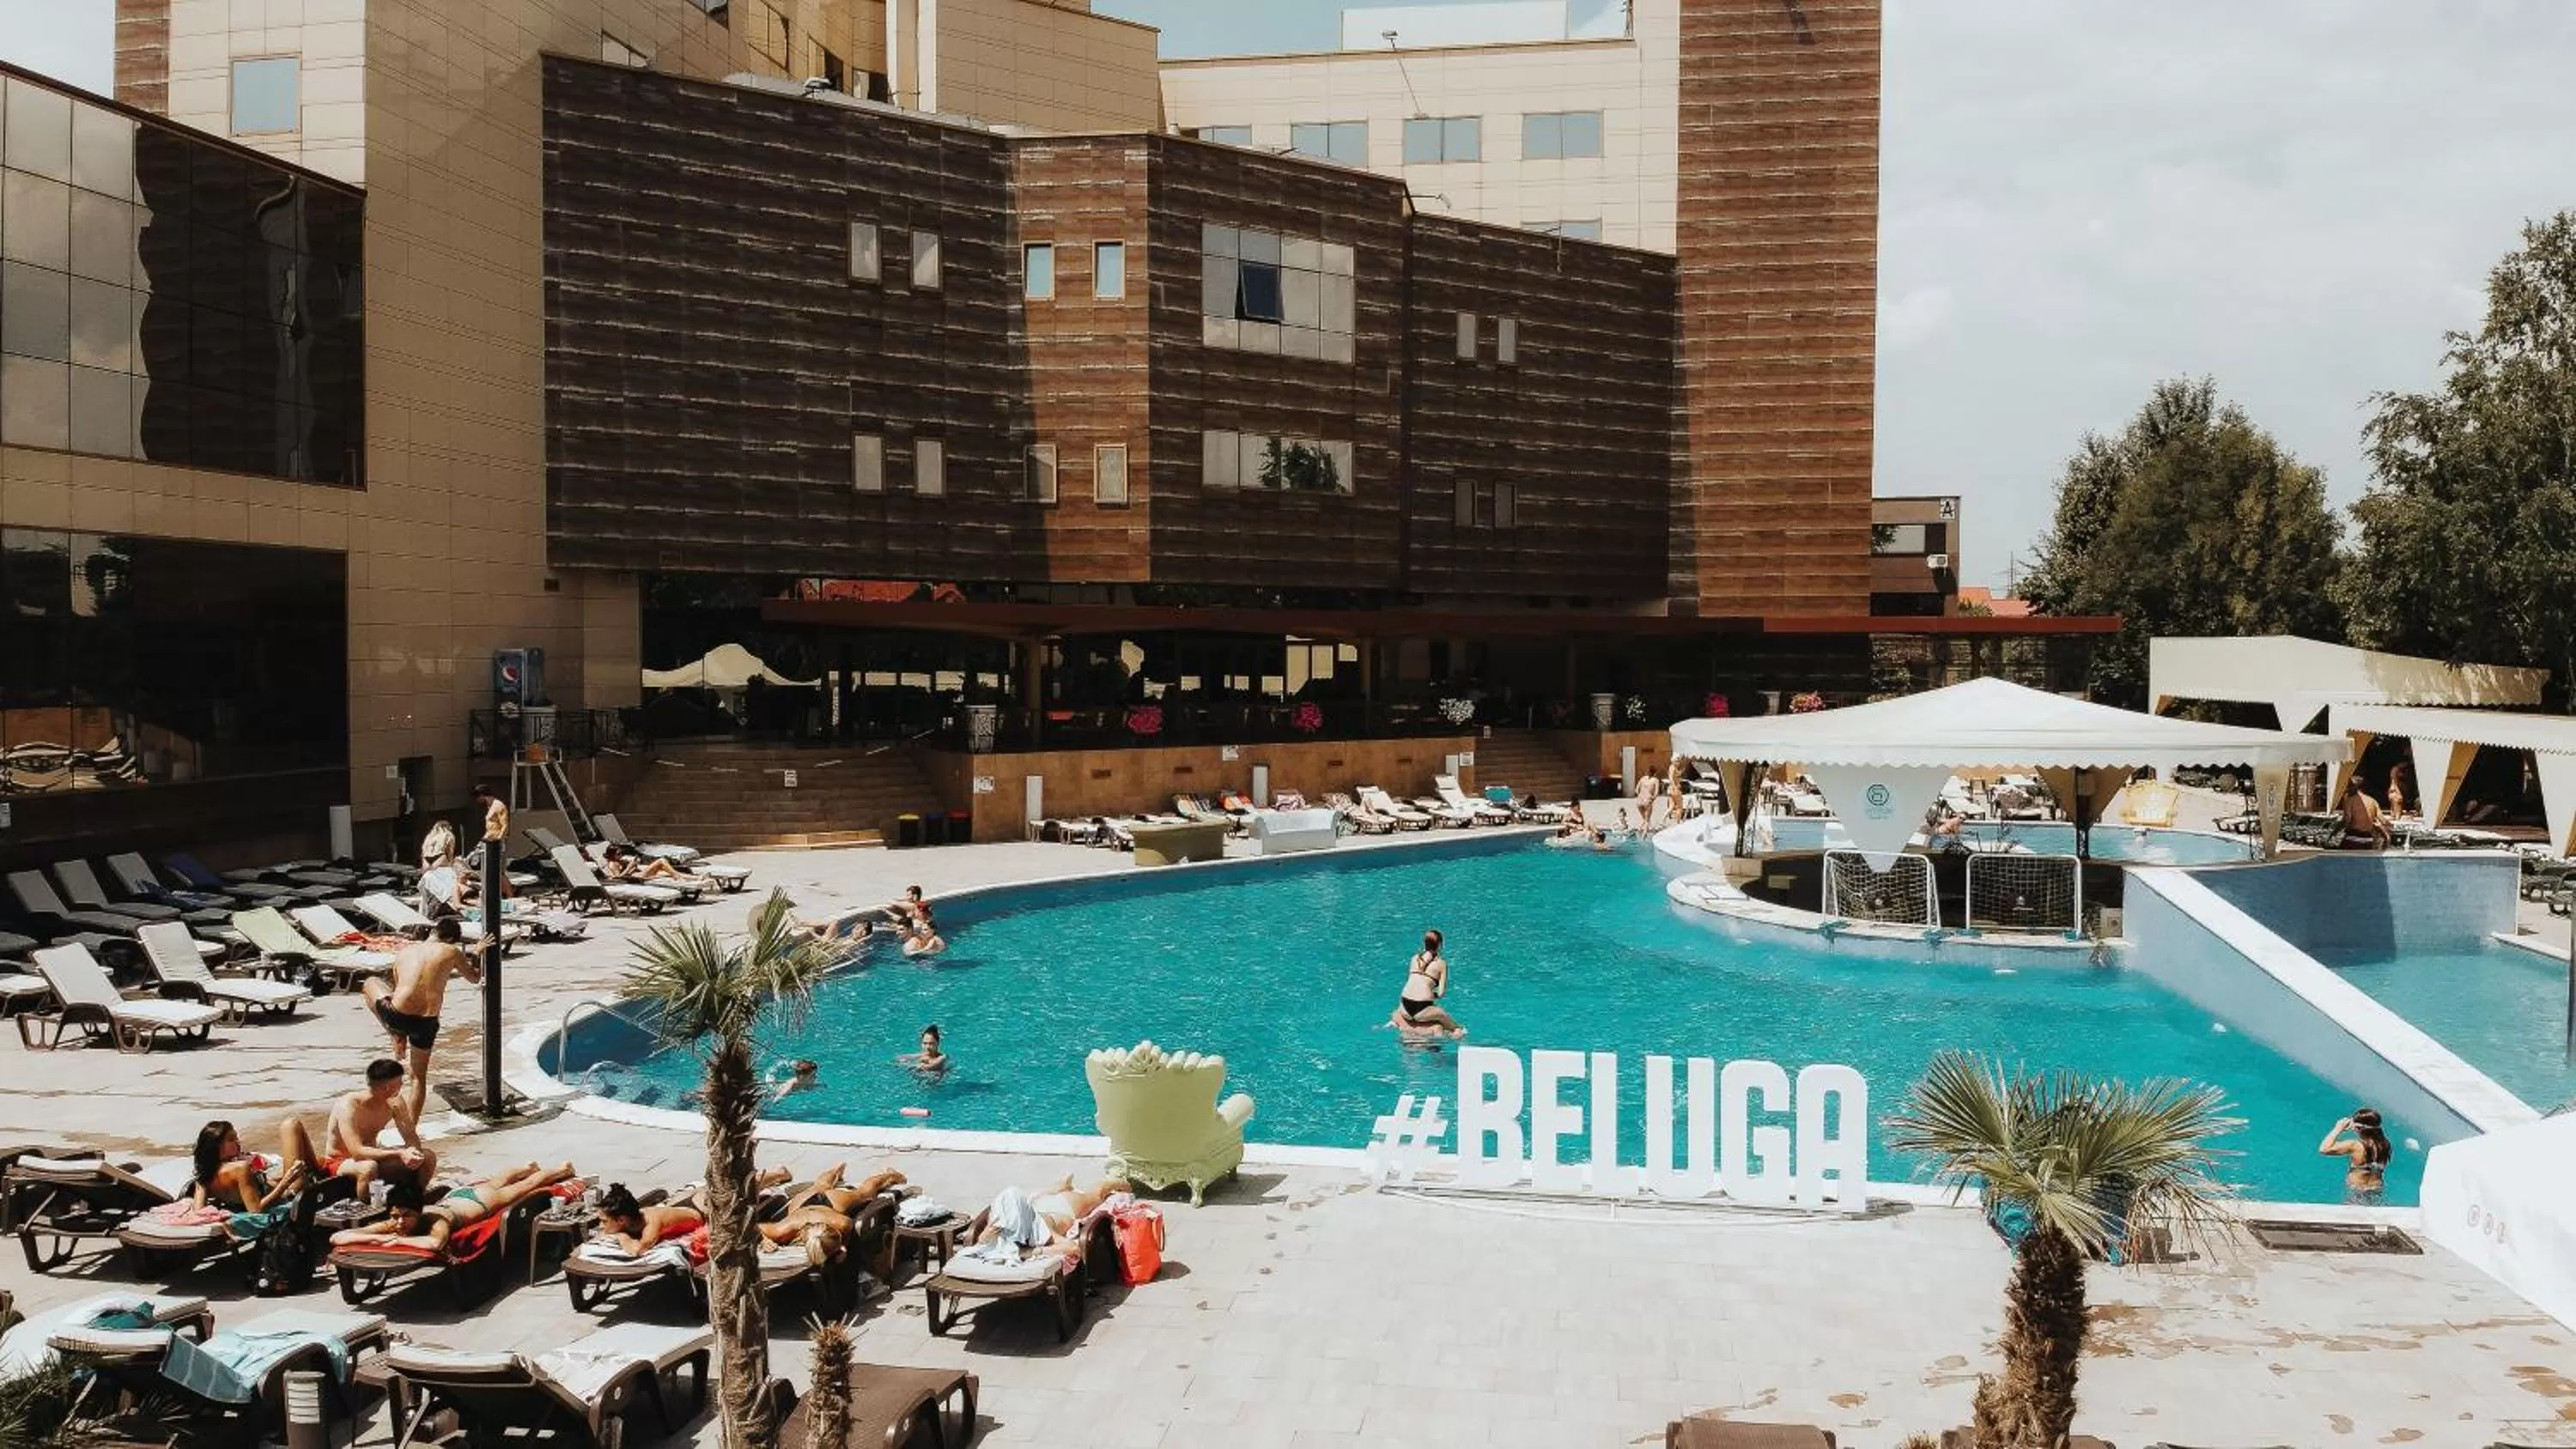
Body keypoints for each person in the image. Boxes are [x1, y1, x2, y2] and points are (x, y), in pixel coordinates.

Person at [363, 917, 482, 1122]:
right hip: (426, 1021)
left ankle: (394, 1033)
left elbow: (397, 985)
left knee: (370, 982)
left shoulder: (405, 952)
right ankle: (411, 1129)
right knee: (418, 1078)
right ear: (451, 939)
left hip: (397, 1015)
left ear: (433, 932)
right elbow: (474, 978)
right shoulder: (451, 951)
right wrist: (478, 953)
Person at [331, 1163, 578, 1252]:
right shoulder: (397, 1219)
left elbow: (435, 1243)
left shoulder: (435, 1222)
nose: (398, 1223)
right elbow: (337, 1236)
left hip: (480, 1201)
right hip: (456, 1196)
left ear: (418, 1211)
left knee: (525, 1187)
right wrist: (373, 1238)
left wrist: (397, 1241)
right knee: (496, 1180)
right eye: (395, 1217)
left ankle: (562, 1170)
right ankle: (525, 1166)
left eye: (405, 1217)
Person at [326, 1058, 437, 1193]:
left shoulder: (395, 1102)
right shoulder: (348, 1107)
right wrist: (399, 1152)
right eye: (400, 1082)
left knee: (428, 1157)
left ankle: (414, 1199)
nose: (402, 1084)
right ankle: (368, 1207)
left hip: (374, 1157)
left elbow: (411, 1137)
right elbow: (357, 1152)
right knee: (368, 1168)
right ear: (387, 1088)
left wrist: (413, 1153)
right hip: (341, 1162)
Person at [187, 1119, 313, 1215]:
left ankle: (318, 1166)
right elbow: (255, 1210)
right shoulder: (240, 1168)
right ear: (215, 1147)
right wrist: (286, 1182)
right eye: (231, 1139)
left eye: (236, 1137)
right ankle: (319, 1167)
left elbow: (199, 1212)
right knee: (291, 1125)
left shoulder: (204, 1176)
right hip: (289, 1192)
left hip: (272, 1187)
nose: (238, 1142)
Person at [1390, 929, 1464, 1037]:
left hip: (1404, 1006)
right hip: (1422, 1008)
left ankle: (1401, 1024)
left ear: (1424, 943)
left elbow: (1414, 984)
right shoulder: (1441, 964)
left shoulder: (1414, 958)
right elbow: (1441, 993)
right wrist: (1431, 994)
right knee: (1455, 1027)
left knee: (1401, 1014)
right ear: (1440, 945)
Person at [2318, 1107, 2392, 1199]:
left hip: (2357, 1190)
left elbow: (2324, 1149)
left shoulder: (2354, 1146)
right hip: (2376, 1188)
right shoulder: (2385, 1144)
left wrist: (2338, 1129)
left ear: (2358, 1128)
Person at [2340, 785, 2391, 849]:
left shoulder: (2350, 800)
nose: (2346, 789)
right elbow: (2384, 821)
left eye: (2348, 787)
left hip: (2353, 838)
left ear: (2354, 787)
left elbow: (2347, 819)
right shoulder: (2373, 801)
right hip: (2368, 839)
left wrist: (2336, 830)